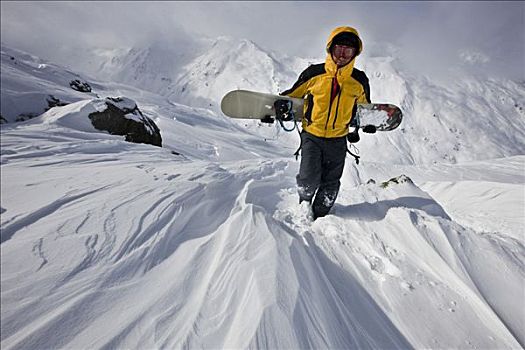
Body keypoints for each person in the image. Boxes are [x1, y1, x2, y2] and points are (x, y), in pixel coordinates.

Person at [278, 26, 371, 220]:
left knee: (330, 185)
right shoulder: (314, 73)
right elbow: (293, 95)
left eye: (348, 51)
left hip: (338, 139)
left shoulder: (359, 80)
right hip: (312, 135)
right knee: (308, 179)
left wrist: (367, 123)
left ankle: (322, 219)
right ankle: (304, 205)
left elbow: (364, 107)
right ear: (330, 49)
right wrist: (279, 105)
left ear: (355, 53)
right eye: (339, 49)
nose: (343, 55)